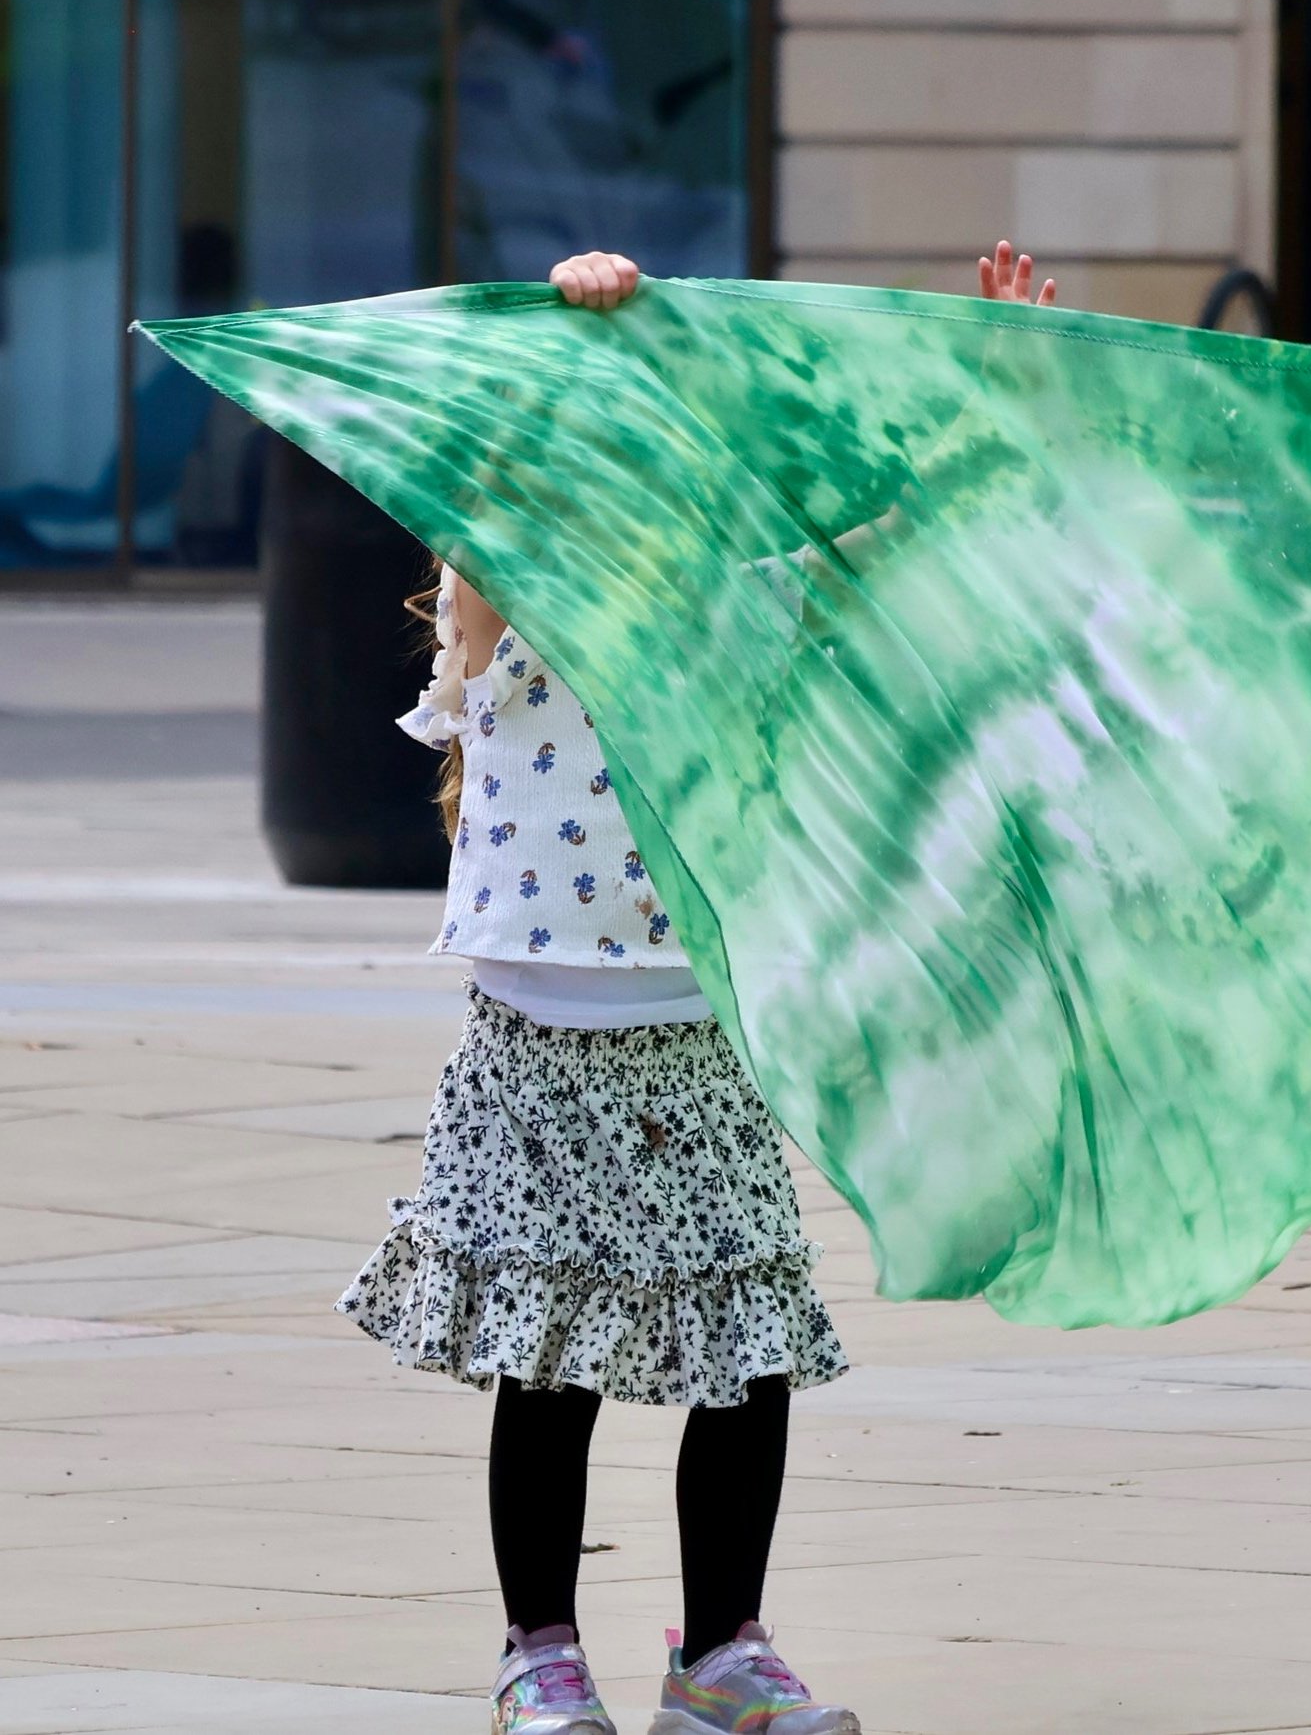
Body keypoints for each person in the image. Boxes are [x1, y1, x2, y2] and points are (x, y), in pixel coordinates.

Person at [338, 241, 1059, 1735]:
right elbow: (479, 491)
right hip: (540, 1047)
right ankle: (538, 1654)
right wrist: (581, 334)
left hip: (703, 1036)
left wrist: (992, 370)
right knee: (550, 1361)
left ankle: (720, 1654)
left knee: (746, 1357)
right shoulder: (507, 608)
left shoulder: (743, 610)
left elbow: (904, 532)